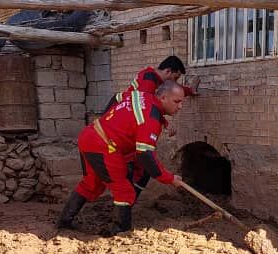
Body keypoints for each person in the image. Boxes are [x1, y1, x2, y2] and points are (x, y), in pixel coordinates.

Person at [56, 81, 185, 234]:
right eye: (177, 101)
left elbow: (117, 98)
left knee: (92, 184)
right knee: (124, 190)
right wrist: (169, 179)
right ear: (163, 98)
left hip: (91, 135)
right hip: (104, 145)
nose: (180, 106)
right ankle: (119, 230)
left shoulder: (142, 95)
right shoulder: (152, 121)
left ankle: (64, 221)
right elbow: (145, 155)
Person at [105, 55, 197, 112]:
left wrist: (190, 90)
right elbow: (147, 106)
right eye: (175, 78)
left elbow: (175, 89)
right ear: (168, 71)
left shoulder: (158, 80)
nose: (175, 82)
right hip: (116, 110)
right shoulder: (149, 79)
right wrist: (165, 124)